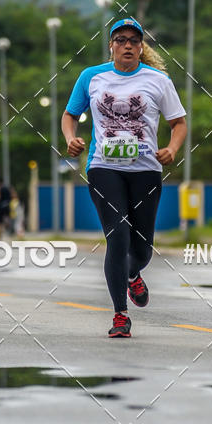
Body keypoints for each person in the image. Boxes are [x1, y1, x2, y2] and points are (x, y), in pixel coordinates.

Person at [61, 17, 187, 338]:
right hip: (103, 168)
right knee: (117, 237)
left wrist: (172, 148)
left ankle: (132, 274)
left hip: (145, 170)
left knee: (142, 249)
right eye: (121, 39)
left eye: (134, 40)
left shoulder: (158, 80)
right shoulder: (91, 77)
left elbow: (179, 123)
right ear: (111, 46)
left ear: (141, 47)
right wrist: (70, 138)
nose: (128, 45)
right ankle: (120, 315)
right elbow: (70, 115)